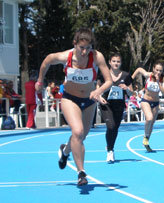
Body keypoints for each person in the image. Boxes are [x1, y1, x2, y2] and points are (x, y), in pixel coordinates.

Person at [35, 28, 112, 186]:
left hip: (89, 100)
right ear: (75, 44)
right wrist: (39, 80)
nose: (84, 52)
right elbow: (47, 61)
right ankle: (81, 173)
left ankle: (65, 152)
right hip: (70, 99)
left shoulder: (97, 57)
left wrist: (98, 91)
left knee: (81, 137)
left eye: (88, 48)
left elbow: (109, 80)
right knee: (77, 132)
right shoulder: (65, 56)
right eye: (81, 48)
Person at [98, 53, 133, 163]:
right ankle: (110, 151)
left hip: (119, 105)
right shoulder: (104, 74)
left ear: (121, 63)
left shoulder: (126, 76)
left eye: (118, 61)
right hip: (106, 104)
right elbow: (97, 88)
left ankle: (110, 146)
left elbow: (131, 93)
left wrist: (126, 88)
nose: (116, 63)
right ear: (109, 62)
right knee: (111, 126)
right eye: (114, 61)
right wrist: (99, 97)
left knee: (115, 128)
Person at [131, 63, 164, 152]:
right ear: (153, 69)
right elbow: (139, 69)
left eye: (160, 71)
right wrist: (130, 79)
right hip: (146, 100)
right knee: (149, 118)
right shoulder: (148, 75)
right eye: (157, 70)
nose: (158, 72)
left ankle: (146, 140)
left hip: (155, 102)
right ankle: (145, 135)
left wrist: (159, 82)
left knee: (152, 123)